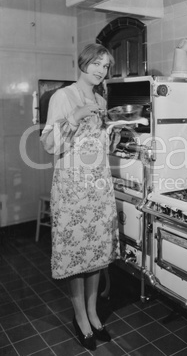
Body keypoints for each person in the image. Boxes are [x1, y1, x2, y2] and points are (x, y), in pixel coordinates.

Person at [40, 43, 120, 351]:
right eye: (97, 63)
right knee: (76, 255)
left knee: (96, 256)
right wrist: (74, 116)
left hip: (98, 186)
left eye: (106, 65)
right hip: (72, 189)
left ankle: (94, 313)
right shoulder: (63, 97)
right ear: (83, 63)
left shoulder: (100, 98)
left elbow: (95, 147)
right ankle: (80, 318)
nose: (101, 70)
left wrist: (110, 138)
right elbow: (49, 145)